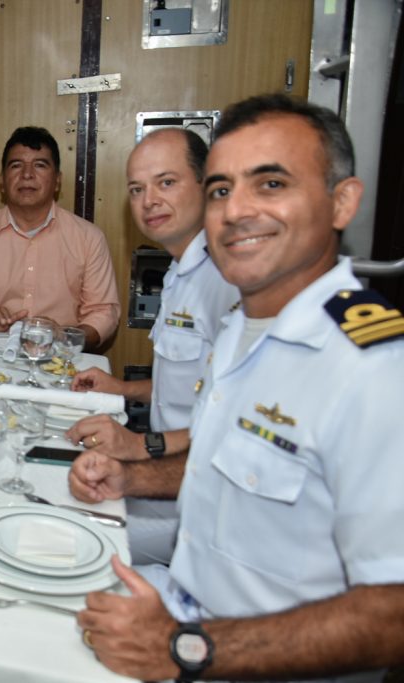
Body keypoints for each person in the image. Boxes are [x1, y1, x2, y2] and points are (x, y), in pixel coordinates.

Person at [69, 94, 404, 682]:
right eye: (223, 189)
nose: (237, 210)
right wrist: (133, 476)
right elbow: (223, 461)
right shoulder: (248, 328)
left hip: (245, 658)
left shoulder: (374, 370)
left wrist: (185, 649)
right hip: (190, 603)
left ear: (342, 202)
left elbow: (393, 611)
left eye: (270, 184)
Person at [65, 128, 239, 564]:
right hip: (170, 477)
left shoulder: (226, 280)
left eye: (166, 182)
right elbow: (194, 386)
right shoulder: (181, 273)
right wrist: (122, 389)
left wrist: (142, 448)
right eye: (137, 189)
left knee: (63, 535)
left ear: (208, 184)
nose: (149, 201)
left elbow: (235, 430)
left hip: (206, 506)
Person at [0, 126, 120, 350]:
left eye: (39, 165)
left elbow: (103, 313)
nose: (27, 175)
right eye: (16, 165)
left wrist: (63, 336)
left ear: (57, 180)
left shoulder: (89, 238)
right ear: (2, 180)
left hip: (61, 362)